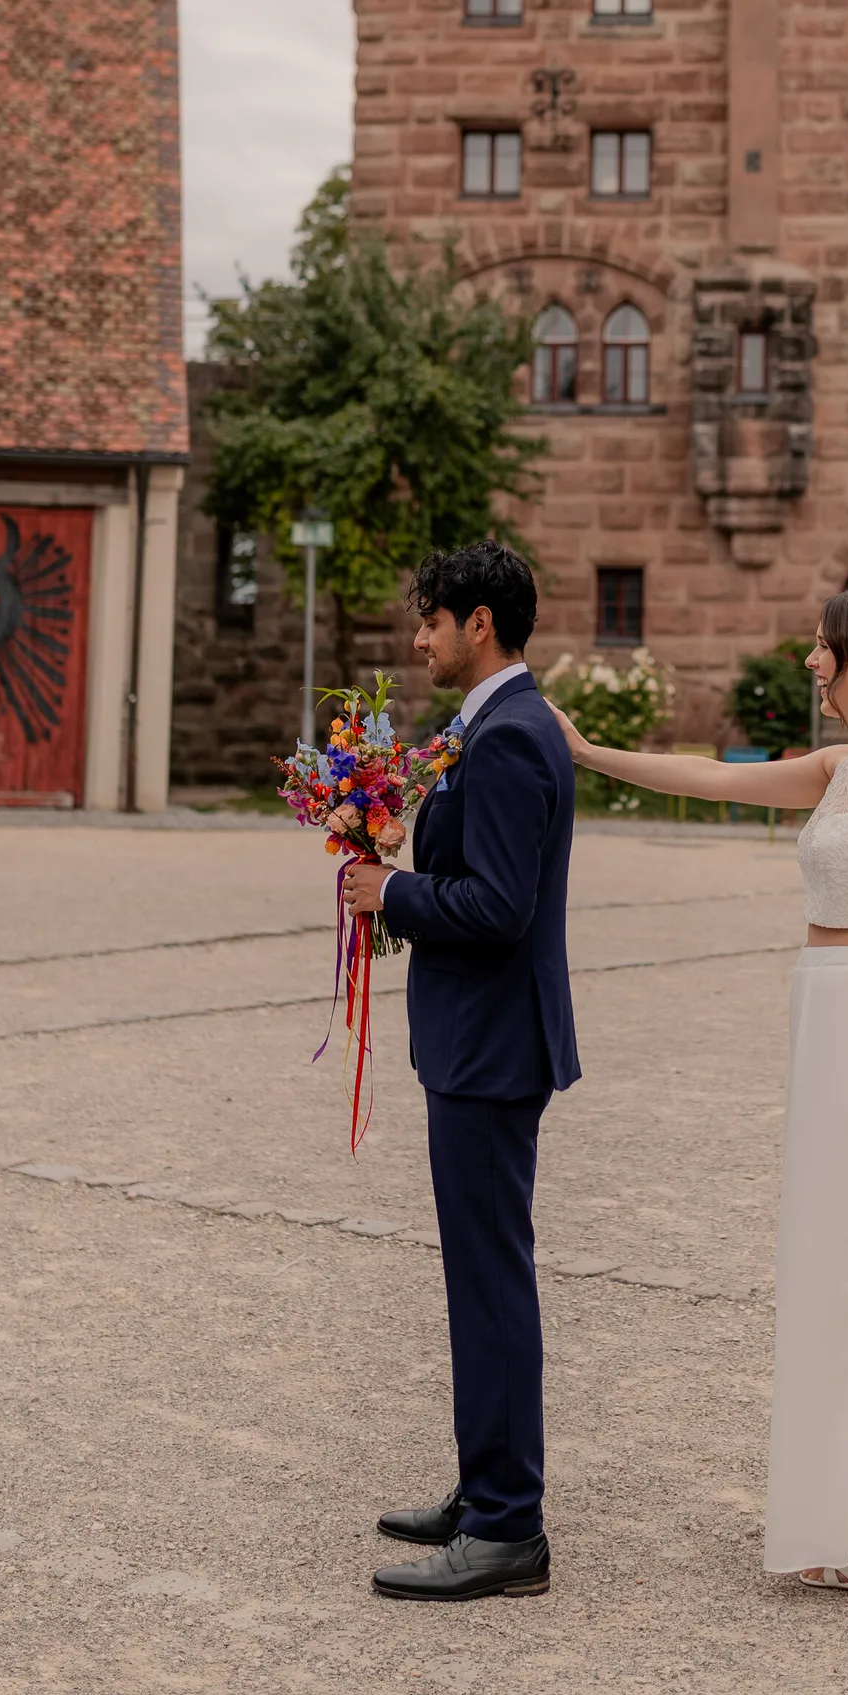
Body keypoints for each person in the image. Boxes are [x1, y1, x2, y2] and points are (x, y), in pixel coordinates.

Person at [551, 585, 848, 1590]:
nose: (809, 662)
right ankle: (832, 1520)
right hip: (819, 1007)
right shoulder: (837, 769)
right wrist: (591, 754)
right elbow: (713, 779)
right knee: (823, 1257)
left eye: (821, 648)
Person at [341, 540, 577, 1602]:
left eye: (429, 619)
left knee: (490, 1282)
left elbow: (498, 907)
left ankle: (508, 1525)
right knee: (477, 1278)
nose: (419, 637)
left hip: (492, 1048)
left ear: (478, 622)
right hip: (471, 1041)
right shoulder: (480, 731)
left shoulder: (515, 737)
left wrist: (387, 894)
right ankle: (485, 1491)